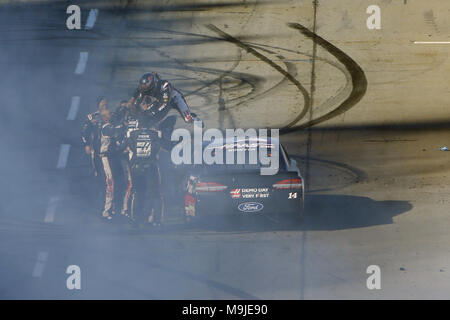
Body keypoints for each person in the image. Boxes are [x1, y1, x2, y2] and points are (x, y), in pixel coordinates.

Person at [123, 97, 165, 227]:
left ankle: (134, 218)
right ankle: (157, 220)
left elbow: (128, 146)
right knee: (155, 193)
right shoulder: (155, 134)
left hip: (136, 167)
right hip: (151, 167)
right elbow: (158, 148)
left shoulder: (133, 134)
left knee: (137, 192)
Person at [98, 108, 132, 220]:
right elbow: (117, 132)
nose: (112, 115)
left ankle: (119, 209)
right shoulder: (105, 127)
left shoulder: (113, 125)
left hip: (116, 157)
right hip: (106, 157)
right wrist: (125, 125)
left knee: (123, 182)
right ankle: (106, 211)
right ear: (104, 118)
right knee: (110, 183)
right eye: (109, 114)